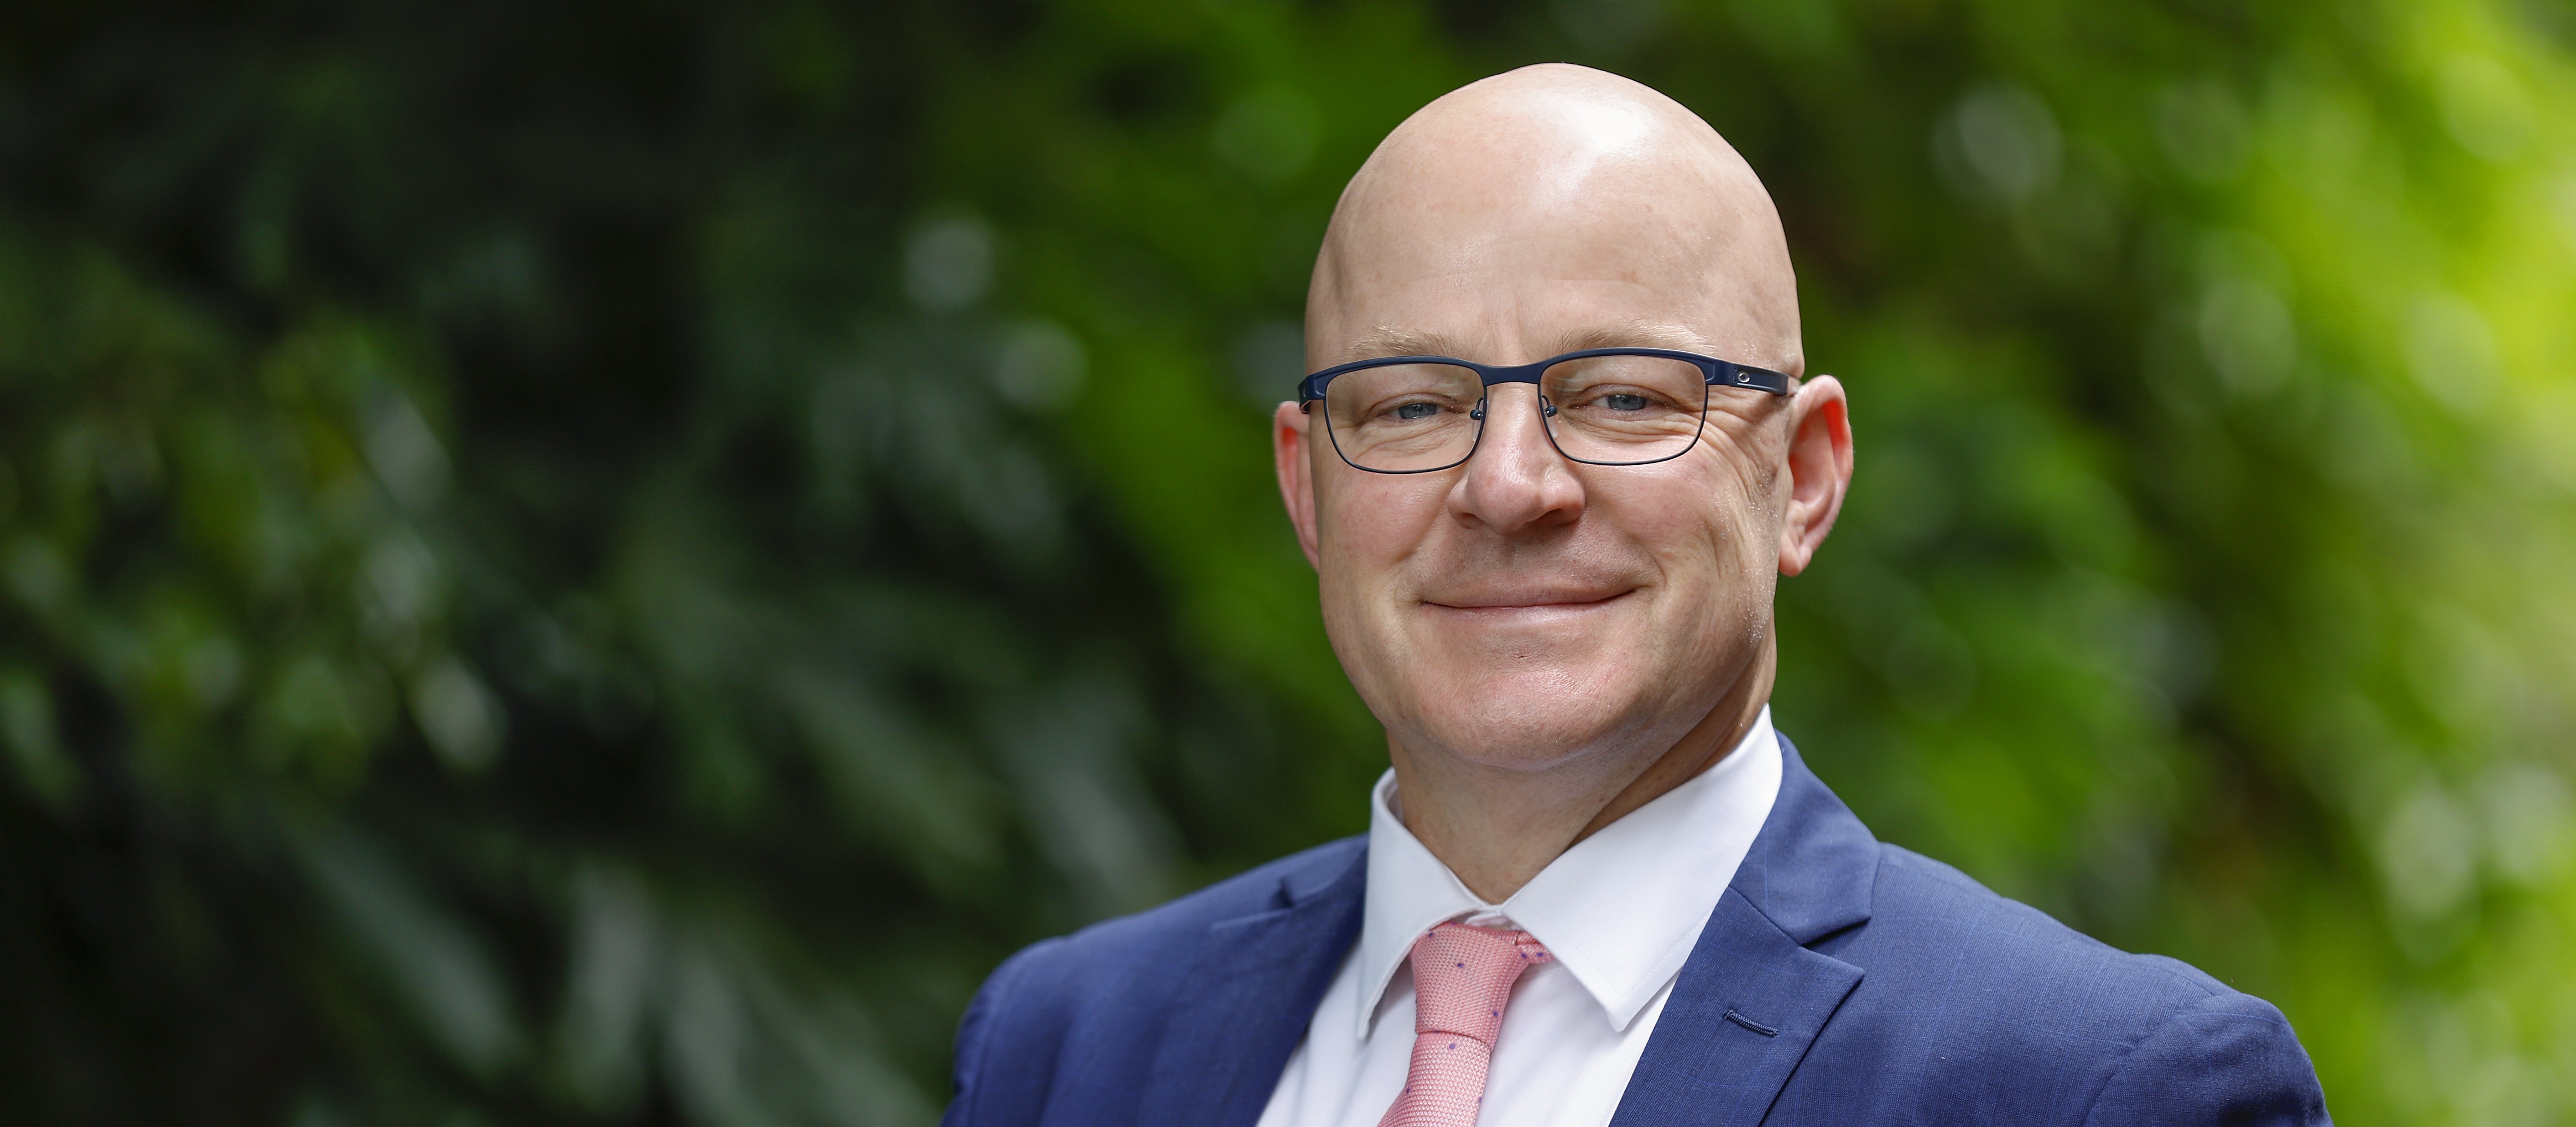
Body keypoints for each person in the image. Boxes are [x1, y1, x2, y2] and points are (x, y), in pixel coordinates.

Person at [940, 64, 2329, 1127]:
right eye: (1415, 404)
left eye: (1617, 397)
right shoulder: (1068, 1048)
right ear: (1308, 491)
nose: (1507, 486)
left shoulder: (2094, 1089)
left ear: (1800, 475)